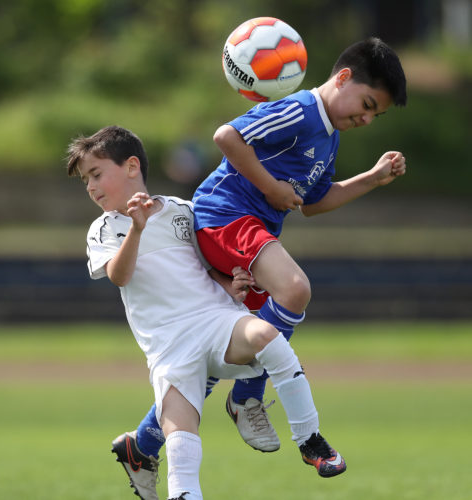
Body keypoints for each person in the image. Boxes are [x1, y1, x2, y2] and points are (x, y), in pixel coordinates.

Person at [130, 36, 408, 482]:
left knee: (226, 351)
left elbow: (314, 202)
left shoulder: (330, 138)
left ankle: (142, 444)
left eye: (377, 114)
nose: (368, 117)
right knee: (295, 289)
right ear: (342, 78)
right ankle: (249, 396)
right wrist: (271, 188)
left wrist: (371, 179)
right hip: (225, 217)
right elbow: (227, 137)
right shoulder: (301, 110)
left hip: (249, 235)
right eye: (368, 103)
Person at [67, 126, 346, 500]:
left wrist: (230, 283)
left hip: (214, 321)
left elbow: (206, 265)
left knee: (269, 338)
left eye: (96, 174)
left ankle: (309, 439)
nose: (90, 186)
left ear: (131, 166)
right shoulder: (104, 229)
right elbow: (120, 275)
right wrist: (136, 229)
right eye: (86, 180)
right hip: (169, 347)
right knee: (182, 442)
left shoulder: (183, 211)